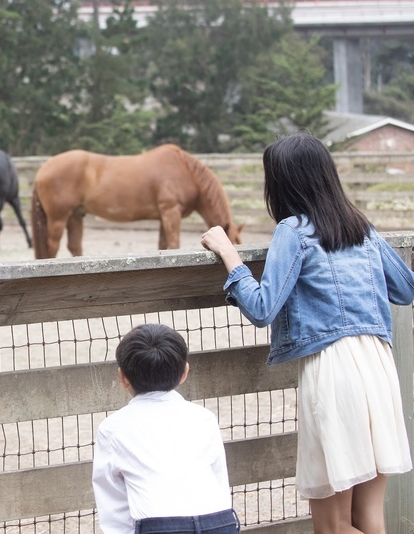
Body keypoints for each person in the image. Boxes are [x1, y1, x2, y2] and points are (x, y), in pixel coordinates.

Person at [201, 133, 414, 534]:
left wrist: (229, 254)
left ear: (280, 184)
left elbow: (263, 308)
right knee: (369, 520)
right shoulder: (362, 229)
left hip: (334, 372)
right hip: (379, 369)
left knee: (331, 527)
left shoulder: (293, 231)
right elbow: (406, 288)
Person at [92, 322, 239, 534]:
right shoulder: (204, 418)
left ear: (122, 377)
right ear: (185, 372)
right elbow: (219, 482)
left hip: (158, 527)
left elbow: (113, 505)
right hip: (218, 522)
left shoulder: (113, 428)